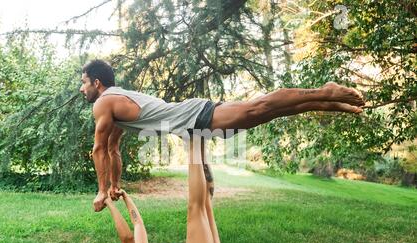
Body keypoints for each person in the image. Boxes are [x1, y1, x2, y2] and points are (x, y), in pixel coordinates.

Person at [79, 60, 365, 211]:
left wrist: (102, 191)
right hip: (192, 125)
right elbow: (112, 149)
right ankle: (330, 101)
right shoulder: (115, 103)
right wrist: (114, 184)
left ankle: (324, 92)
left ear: (96, 82)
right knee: (267, 112)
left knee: (260, 106)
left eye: (83, 83)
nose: (82, 90)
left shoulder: (105, 103)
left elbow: (98, 150)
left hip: (193, 118)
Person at [68, 138, 224, 243]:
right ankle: (193, 140)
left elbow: (138, 224)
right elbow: (127, 239)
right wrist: (108, 202)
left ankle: (200, 141)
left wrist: (125, 197)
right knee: (196, 208)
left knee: (205, 204)